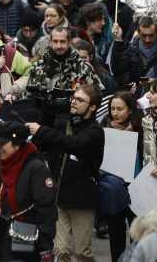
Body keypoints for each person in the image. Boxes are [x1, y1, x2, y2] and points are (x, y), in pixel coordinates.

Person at [26, 84, 105, 262]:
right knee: (60, 250)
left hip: (82, 199)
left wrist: (41, 130)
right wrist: (47, 114)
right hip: (59, 196)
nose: (74, 102)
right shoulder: (65, 123)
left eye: (80, 100)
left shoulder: (95, 132)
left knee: (81, 251)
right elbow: (47, 141)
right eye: (73, 98)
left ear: (92, 107)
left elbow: (72, 144)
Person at [0, 121, 57, 262]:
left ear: (17, 144)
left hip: (23, 246)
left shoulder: (36, 169)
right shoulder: (1, 167)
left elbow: (46, 213)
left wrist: (45, 248)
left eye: (3, 143)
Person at [100, 92, 144, 262]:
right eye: (112, 109)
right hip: (114, 187)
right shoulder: (104, 127)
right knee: (116, 233)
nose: (115, 113)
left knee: (137, 233)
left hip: (137, 186)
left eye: (120, 109)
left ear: (131, 110)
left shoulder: (141, 128)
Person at [26, 26, 103, 90]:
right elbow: (28, 97)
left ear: (69, 42)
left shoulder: (83, 66)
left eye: (62, 41)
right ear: (50, 42)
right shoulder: (39, 67)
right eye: (55, 41)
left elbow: (99, 94)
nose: (58, 46)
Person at [111, 17, 157, 85]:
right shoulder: (132, 50)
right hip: (136, 93)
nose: (147, 40)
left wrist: (156, 81)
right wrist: (118, 40)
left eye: (151, 36)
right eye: (144, 36)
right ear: (138, 33)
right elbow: (116, 70)